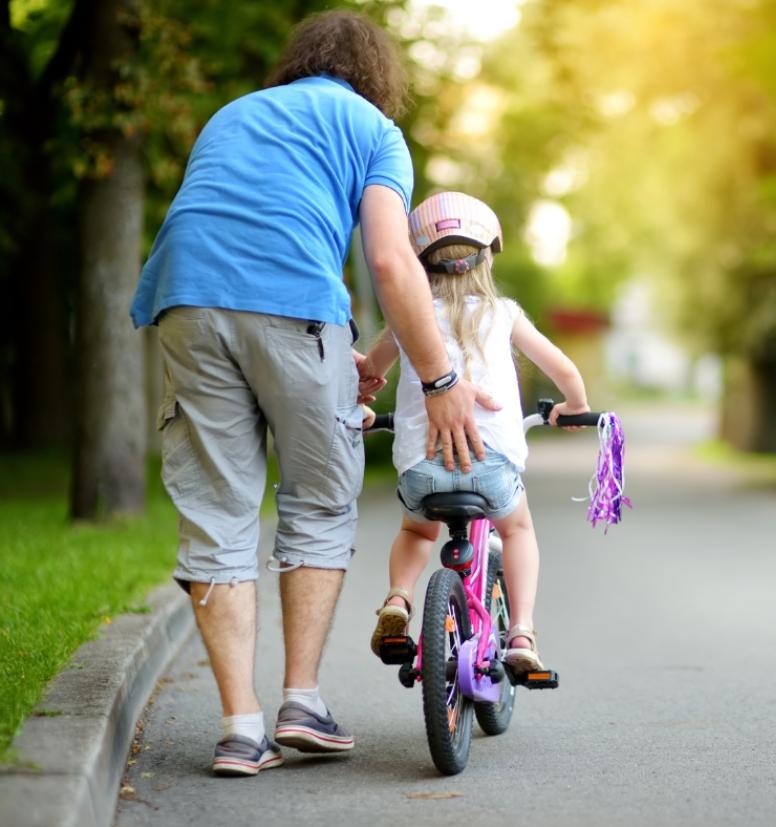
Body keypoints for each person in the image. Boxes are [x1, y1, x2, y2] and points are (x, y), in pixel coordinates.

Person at [129, 12, 495, 777]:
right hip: (296, 303)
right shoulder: (373, 128)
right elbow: (396, 265)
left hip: (184, 301)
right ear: (376, 78)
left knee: (219, 512)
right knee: (321, 499)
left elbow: (232, 226)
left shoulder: (233, 114)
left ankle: (239, 728)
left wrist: (342, 360)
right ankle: (301, 701)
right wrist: (442, 380)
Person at [360, 191, 590, 674]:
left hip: (422, 471)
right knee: (519, 529)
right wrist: (574, 406)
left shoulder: (406, 321)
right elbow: (564, 369)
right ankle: (522, 632)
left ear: (417, 260)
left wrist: (360, 407)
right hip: (493, 470)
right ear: (488, 255)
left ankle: (399, 599)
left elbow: (368, 375)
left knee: (416, 529)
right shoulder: (503, 314)